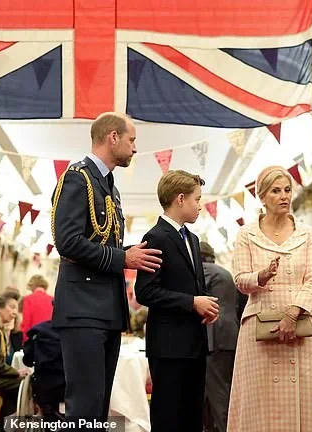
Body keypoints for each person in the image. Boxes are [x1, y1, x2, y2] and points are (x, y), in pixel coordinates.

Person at [51, 112, 163, 424]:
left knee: (99, 408)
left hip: (105, 310)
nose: (134, 147)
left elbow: (102, 243)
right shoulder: (77, 177)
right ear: (113, 137)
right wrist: (122, 259)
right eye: (131, 140)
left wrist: (129, 253)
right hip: (82, 308)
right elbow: (67, 242)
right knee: (84, 408)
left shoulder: (109, 186)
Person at [228, 166, 312, 431]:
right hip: (260, 330)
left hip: (302, 326)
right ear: (262, 197)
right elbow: (240, 279)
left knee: (310, 402)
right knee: (261, 403)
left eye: (287, 190)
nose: (284, 196)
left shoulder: (307, 233)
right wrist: (261, 276)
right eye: (276, 191)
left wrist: (293, 313)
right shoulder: (247, 235)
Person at [135, 170, 218, 432]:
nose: (200, 206)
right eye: (197, 199)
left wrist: (205, 307)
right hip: (168, 347)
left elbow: (193, 286)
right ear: (180, 199)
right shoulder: (155, 237)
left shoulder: (192, 239)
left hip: (195, 343)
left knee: (193, 418)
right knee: (168, 418)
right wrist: (192, 302)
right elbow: (145, 291)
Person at [200, 241, 245, 432]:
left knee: (217, 393)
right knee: (225, 388)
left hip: (213, 336)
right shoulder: (226, 274)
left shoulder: (202, 272)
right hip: (230, 335)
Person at [20, 275, 54, 342]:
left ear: (32, 286)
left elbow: (26, 322)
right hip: (51, 337)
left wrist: (25, 340)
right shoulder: (52, 299)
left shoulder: (28, 299)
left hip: (35, 337)